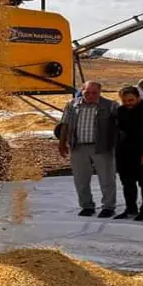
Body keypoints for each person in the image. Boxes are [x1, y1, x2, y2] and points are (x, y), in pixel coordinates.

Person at [58, 81, 120, 218]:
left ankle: (108, 207)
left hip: (102, 147)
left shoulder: (110, 106)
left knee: (107, 179)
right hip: (78, 147)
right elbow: (65, 125)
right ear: (82, 91)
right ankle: (86, 206)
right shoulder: (72, 105)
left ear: (100, 92)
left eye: (94, 93)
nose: (90, 95)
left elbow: (119, 126)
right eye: (87, 92)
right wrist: (62, 143)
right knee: (81, 179)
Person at [113, 86, 143, 221]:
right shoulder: (120, 111)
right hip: (124, 152)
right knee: (127, 182)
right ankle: (130, 209)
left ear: (138, 97)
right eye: (125, 101)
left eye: (131, 100)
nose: (128, 103)